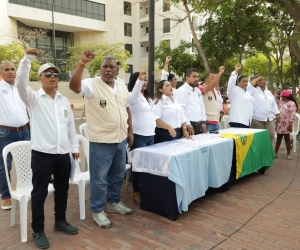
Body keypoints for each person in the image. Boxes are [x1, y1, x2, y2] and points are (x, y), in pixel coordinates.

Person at [16, 48, 79, 249]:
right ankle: (38, 229)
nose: (53, 77)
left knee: (63, 189)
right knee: (39, 194)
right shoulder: (33, 99)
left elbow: (70, 127)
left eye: (56, 74)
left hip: (63, 155)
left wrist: (75, 147)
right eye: (48, 74)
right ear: (40, 77)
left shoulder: (63, 101)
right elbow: (19, 82)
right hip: (42, 155)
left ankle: (60, 221)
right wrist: (28, 59)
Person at [69, 51, 134, 229]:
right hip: (101, 142)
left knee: (118, 175)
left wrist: (130, 132)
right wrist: (82, 63)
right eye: (104, 66)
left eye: (111, 67)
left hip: (120, 139)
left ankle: (113, 203)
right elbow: (74, 87)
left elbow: (126, 109)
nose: (107, 70)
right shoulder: (91, 84)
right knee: (99, 178)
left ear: (117, 70)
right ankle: (98, 210)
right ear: (100, 69)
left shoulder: (121, 86)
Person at [0, 61, 30, 210]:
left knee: (28, 162)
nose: (11, 72)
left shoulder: (21, 88)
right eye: (7, 69)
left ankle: (28, 189)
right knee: (5, 165)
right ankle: (5, 196)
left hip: (24, 131)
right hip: (5, 132)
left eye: (13, 69)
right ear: (1, 73)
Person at [127, 71, 155, 204]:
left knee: (147, 164)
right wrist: (139, 81)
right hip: (139, 135)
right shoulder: (132, 96)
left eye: (145, 80)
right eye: (141, 80)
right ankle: (136, 190)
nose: (144, 82)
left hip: (150, 135)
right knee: (137, 164)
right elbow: (133, 95)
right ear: (135, 81)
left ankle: (147, 188)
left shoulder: (148, 97)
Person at [174, 68, 206, 135]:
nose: (197, 79)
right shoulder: (181, 91)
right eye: (194, 77)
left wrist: (203, 121)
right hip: (189, 125)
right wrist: (188, 124)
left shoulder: (198, 90)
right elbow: (181, 110)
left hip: (199, 125)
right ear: (187, 77)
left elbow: (202, 106)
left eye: (197, 77)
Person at [247, 75, 280, 140]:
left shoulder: (268, 92)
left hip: (269, 119)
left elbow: (273, 104)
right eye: (261, 80)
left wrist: (277, 114)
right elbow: (249, 86)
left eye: (264, 79)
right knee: (258, 138)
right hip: (257, 119)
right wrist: (257, 78)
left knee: (271, 136)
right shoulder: (252, 90)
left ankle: (268, 150)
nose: (264, 81)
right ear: (256, 82)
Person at [198, 67, 225, 132]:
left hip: (216, 121)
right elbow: (211, 85)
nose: (215, 81)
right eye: (213, 79)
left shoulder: (215, 90)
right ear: (206, 80)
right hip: (207, 122)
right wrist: (220, 73)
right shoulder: (201, 87)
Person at [274, 90, 297, 160]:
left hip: (287, 124)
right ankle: (275, 153)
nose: (281, 98)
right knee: (278, 138)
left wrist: (290, 124)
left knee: (287, 138)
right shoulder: (280, 102)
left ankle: (288, 154)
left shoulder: (292, 104)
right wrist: (276, 94)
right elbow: (274, 101)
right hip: (279, 124)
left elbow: (292, 114)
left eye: (282, 97)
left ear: (285, 97)